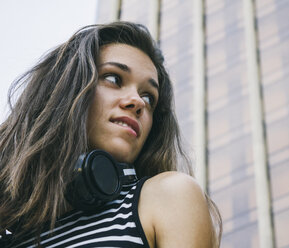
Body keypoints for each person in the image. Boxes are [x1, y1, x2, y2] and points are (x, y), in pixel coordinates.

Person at [0, 22, 221, 247]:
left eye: (148, 97)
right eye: (114, 79)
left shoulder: (169, 196)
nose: (137, 102)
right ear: (65, 90)